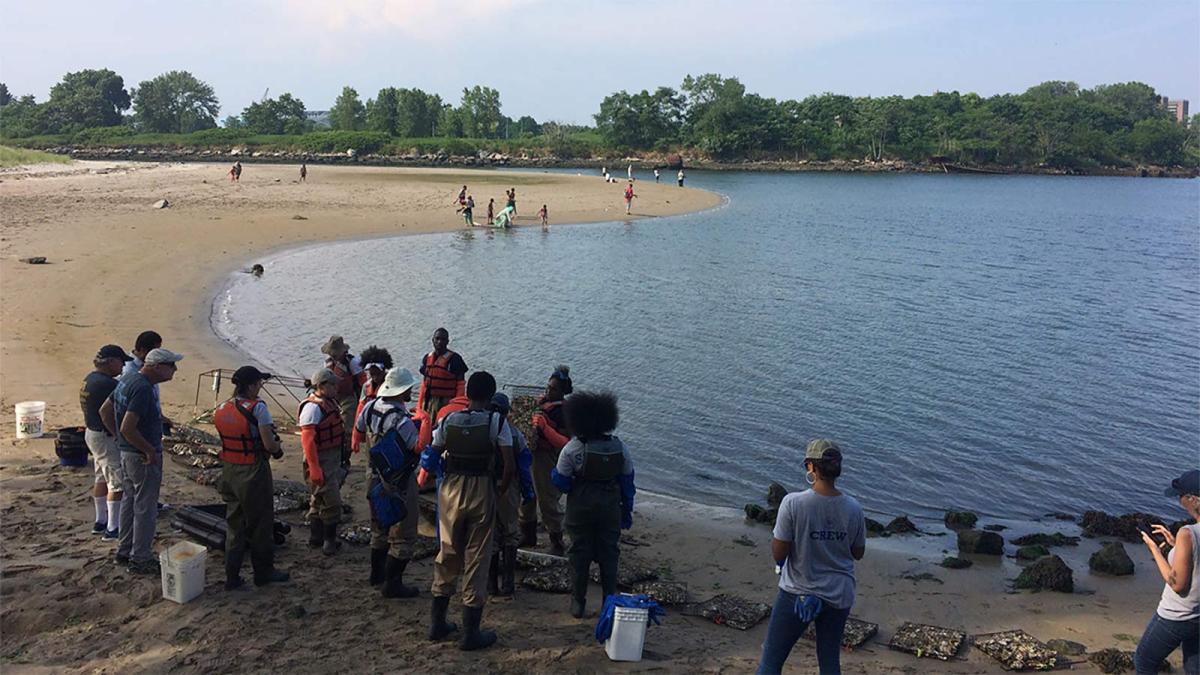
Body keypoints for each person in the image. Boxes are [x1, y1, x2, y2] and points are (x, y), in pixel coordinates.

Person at [756, 439, 866, 675]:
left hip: (798, 590)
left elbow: (779, 552)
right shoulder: (853, 507)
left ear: (810, 467)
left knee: (771, 663)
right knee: (829, 663)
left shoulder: (793, 503)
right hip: (838, 593)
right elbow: (858, 553)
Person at [425, 371, 514, 651]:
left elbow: (432, 453)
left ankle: (437, 623)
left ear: (468, 394)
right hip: (481, 487)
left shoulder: (448, 419)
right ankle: (470, 632)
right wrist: (498, 491)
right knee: (477, 555)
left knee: (448, 550)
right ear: (490, 395)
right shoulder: (496, 421)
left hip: (450, 488)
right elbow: (508, 464)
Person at [550, 390, 635, 618]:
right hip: (610, 505)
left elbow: (562, 482)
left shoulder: (573, 449)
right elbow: (628, 482)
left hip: (581, 505)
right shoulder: (619, 447)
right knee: (609, 552)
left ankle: (578, 602)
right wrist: (626, 511)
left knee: (579, 552)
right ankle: (609, 598)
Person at [100, 348, 184, 574]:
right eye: (171, 365)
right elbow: (128, 426)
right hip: (141, 456)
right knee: (146, 508)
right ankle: (141, 558)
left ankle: (124, 550)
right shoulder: (144, 388)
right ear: (157, 367)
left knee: (129, 501)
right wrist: (148, 450)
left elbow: (105, 411)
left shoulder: (127, 379)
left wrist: (118, 437)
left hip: (128, 453)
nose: (174, 370)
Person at [212, 366, 289, 590]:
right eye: (259, 383)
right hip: (253, 471)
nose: (260, 387)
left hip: (229, 470)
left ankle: (232, 576)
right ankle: (263, 572)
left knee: (234, 523)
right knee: (260, 523)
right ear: (251, 385)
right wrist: (277, 449)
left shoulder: (222, 407)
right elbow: (269, 444)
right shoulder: (259, 409)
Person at [356, 367, 423, 597]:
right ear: (401, 390)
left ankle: (376, 575)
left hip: (373, 476)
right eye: (409, 388)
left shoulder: (369, 407)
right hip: (398, 481)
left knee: (379, 527)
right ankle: (392, 584)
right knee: (403, 533)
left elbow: (359, 429)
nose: (411, 392)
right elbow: (417, 447)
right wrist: (425, 421)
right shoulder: (401, 420)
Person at [1136, 469, 1199, 675]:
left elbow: (1177, 584)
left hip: (1178, 614)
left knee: (1144, 661)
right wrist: (1175, 547)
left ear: (1191, 500)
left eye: (1181, 496)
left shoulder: (1187, 533)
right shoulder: (1187, 537)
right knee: (1194, 668)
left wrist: (1155, 550)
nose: (1180, 500)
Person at [80, 344, 133, 539]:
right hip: (105, 436)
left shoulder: (90, 379)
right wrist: (118, 434)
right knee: (116, 482)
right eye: (121, 362)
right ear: (110, 362)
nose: (122, 368)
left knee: (101, 477)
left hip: (92, 433)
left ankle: (100, 520)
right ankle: (113, 528)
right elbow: (109, 412)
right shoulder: (109, 385)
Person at [518, 366, 572, 555]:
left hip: (547, 458)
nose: (549, 391)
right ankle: (528, 534)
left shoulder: (564, 412)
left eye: (554, 389)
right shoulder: (543, 405)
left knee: (547, 498)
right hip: (531, 454)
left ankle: (557, 542)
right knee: (527, 494)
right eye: (548, 387)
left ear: (563, 391)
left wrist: (545, 428)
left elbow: (565, 442)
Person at [488, 393, 535, 598]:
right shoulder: (515, 434)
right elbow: (524, 467)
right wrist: (528, 492)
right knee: (510, 533)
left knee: (491, 535)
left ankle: (491, 585)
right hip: (509, 488)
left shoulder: (483, 429)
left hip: (485, 485)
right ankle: (508, 584)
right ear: (508, 412)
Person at [299, 368, 347, 555]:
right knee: (332, 501)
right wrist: (314, 468)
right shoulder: (313, 408)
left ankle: (316, 538)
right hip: (321, 458)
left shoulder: (329, 403)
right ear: (321, 386)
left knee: (318, 499)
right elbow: (308, 440)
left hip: (331, 456)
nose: (337, 387)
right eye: (333, 384)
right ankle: (329, 542)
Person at [321, 335, 363, 482]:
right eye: (331, 352)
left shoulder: (353, 363)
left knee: (347, 431)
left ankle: (345, 460)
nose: (332, 355)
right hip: (332, 398)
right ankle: (337, 459)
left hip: (349, 399)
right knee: (334, 428)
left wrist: (362, 403)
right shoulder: (328, 362)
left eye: (334, 352)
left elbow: (362, 382)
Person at [417, 327, 468, 426]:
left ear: (447, 341)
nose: (440, 342)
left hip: (447, 402)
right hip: (429, 401)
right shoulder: (427, 358)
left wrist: (457, 406)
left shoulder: (455, 360)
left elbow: (461, 385)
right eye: (437, 339)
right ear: (433, 340)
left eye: (443, 339)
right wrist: (419, 406)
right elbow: (424, 385)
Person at [350, 346, 393, 455]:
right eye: (372, 374)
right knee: (371, 458)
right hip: (371, 430)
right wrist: (355, 436)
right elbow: (360, 409)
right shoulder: (366, 386)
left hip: (387, 430)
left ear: (383, 370)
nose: (375, 377)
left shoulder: (391, 386)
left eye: (378, 374)